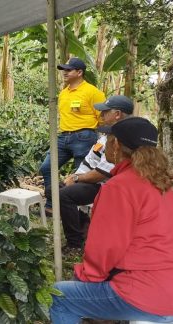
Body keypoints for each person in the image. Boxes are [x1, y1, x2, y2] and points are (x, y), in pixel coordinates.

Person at [50, 117, 173, 323]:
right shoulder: (165, 182)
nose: (105, 143)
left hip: (147, 294)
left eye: (108, 138)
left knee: (60, 296)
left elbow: (105, 248)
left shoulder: (119, 187)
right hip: (165, 284)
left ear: (116, 145)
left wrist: (86, 276)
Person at [59, 95, 132, 252]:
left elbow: (103, 172)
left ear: (118, 114)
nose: (101, 115)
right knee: (55, 189)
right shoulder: (107, 133)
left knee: (65, 195)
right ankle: (83, 222)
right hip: (89, 179)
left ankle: (74, 243)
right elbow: (92, 160)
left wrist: (77, 178)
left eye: (105, 112)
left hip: (103, 185)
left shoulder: (122, 138)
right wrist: (75, 177)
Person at [39, 57, 106, 212]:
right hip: (63, 137)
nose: (65, 73)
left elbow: (102, 117)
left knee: (82, 175)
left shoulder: (93, 92)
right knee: (47, 167)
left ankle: (78, 211)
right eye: (64, 70)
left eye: (69, 70)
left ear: (79, 72)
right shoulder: (64, 93)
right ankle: (52, 206)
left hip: (84, 137)